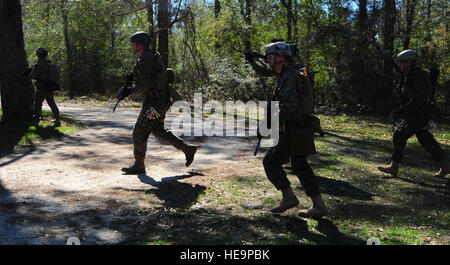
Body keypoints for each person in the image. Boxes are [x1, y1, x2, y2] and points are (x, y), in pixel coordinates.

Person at [246, 42, 328, 218]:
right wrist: (253, 61)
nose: (267, 61)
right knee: (300, 165)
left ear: (280, 56)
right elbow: (266, 72)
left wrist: (267, 124)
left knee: (270, 161)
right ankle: (318, 205)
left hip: (293, 128)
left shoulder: (289, 75)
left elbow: (288, 107)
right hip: (299, 125)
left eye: (269, 57)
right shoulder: (289, 70)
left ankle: (289, 197)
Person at [119, 32, 198, 175]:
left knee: (139, 131)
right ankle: (188, 149)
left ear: (139, 44)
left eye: (133, 43)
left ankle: (139, 165)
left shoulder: (146, 59)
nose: (132, 46)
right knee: (158, 131)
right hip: (160, 101)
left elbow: (145, 84)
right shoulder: (150, 56)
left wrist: (128, 91)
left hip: (155, 104)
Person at [378, 49, 449, 178]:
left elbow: (419, 98)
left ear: (409, 62)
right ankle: (445, 165)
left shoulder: (419, 76)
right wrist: (400, 110)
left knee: (399, 135)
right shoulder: (408, 75)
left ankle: (394, 166)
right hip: (416, 113)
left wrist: (404, 111)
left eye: (401, 62)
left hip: (420, 113)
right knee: (425, 139)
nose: (399, 65)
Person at [30, 48, 61, 127]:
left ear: (38, 54)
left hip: (41, 87)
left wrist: (25, 76)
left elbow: (34, 75)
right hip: (49, 87)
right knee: (52, 103)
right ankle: (58, 120)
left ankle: (36, 121)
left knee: (37, 103)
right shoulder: (48, 63)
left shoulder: (39, 64)